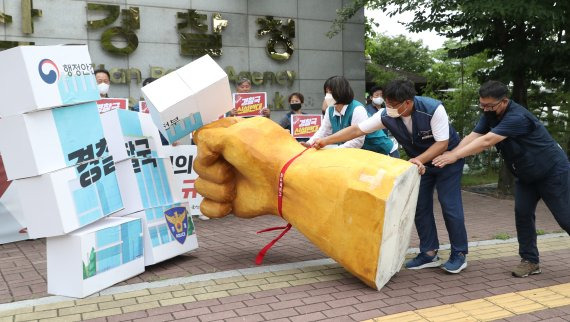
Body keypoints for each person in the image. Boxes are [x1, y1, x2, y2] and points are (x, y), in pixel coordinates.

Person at [313, 79, 469, 274]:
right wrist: (324, 140)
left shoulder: (433, 109)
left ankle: (459, 254)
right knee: (419, 206)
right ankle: (429, 253)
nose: (389, 108)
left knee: (450, 206)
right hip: (419, 164)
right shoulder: (386, 114)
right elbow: (357, 130)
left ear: (408, 102)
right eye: (387, 103)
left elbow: (442, 143)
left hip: (447, 161)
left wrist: (418, 159)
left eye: (393, 105)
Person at [433, 80, 570, 277]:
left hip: (552, 172)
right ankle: (530, 261)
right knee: (522, 214)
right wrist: (453, 153)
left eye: (489, 105)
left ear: (504, 101)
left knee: (565, 217)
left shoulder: (517, 117)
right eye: (482, 104)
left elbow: (487, 141)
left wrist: (453, 156)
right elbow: (475, 135)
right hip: (526, 174)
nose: (485, 109)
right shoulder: (490, 114)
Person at [303, 76, 393, 155]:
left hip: (381, 151)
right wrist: (309, 144)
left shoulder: (357, 109)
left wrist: (334, 152)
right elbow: (323, 131)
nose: (327, 96)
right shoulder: (330, 110)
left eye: (330, 92)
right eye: (326, 92)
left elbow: (357, 141)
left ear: (340, 91)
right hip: (360, 154)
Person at [366, 86, 400, 158]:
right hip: (376, 143)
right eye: (377, 95)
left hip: (390, 141)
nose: (379, 97)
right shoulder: (367, 110)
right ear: (371, 97)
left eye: (381, 95)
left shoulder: (387, 109)